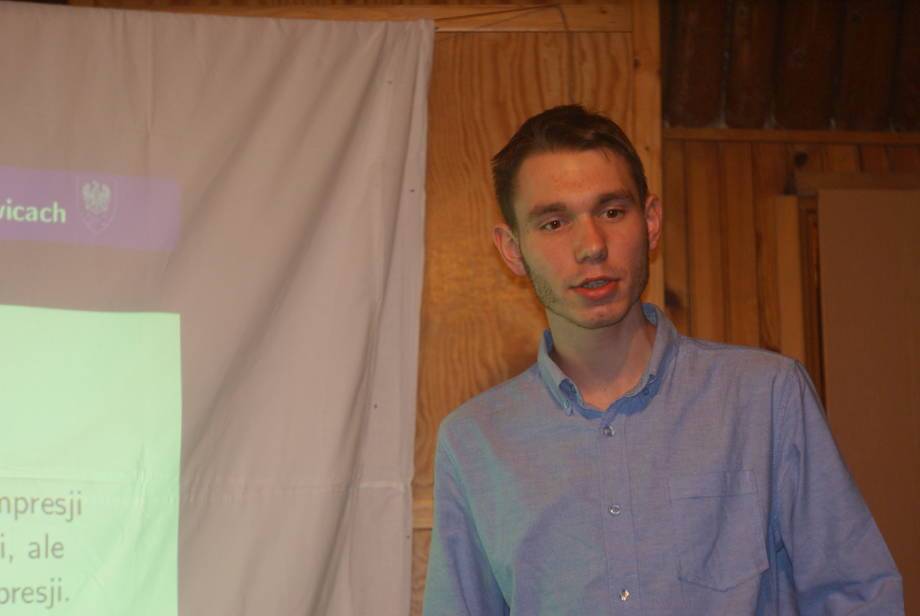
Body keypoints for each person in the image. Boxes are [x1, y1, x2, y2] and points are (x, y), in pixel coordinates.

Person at [422, 105, 903, 615]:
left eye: (612, 212)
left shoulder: (767, 398)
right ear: (512, 249)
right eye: (554, 222)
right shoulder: (473, 443)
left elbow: (858, 597)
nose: (592, 246)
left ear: (650, 222)